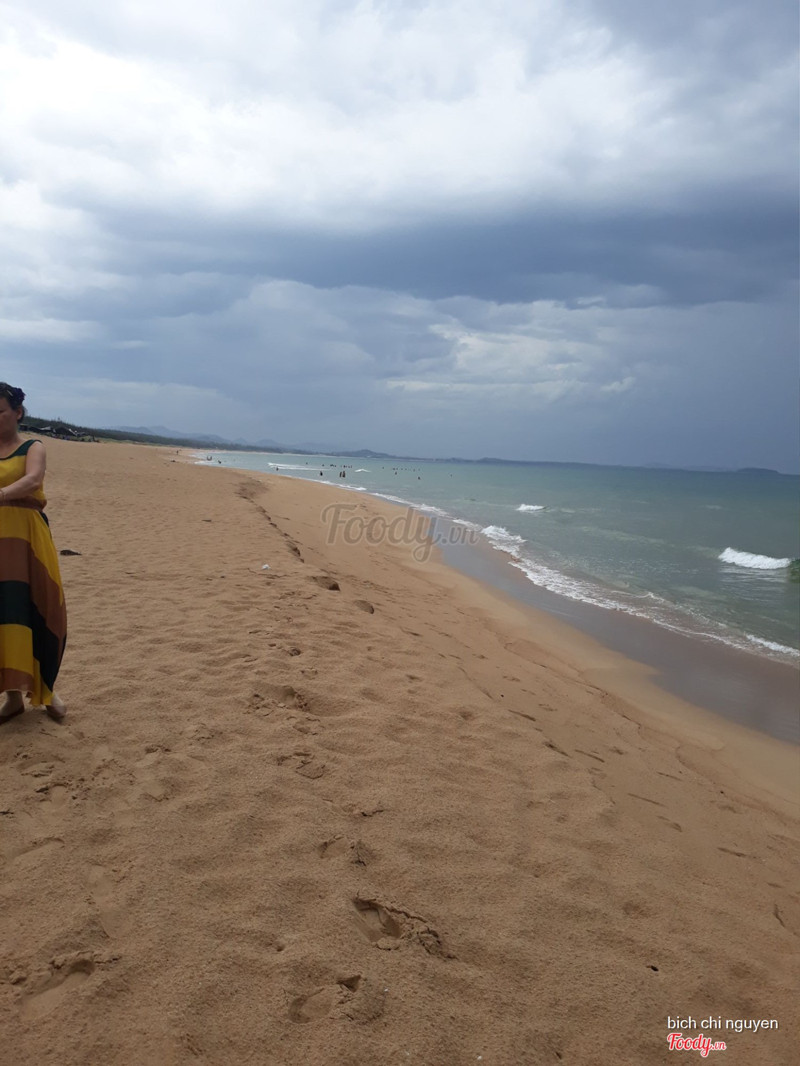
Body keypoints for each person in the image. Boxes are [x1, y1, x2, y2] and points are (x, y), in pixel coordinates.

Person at [0, 383, 67, 724]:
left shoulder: (33, 446)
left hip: (28, 538)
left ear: (17, 412)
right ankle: (12, 697)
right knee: (4, 613)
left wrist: (1, 494)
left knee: (41, 608)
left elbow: (32, 480)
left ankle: (47, 690)